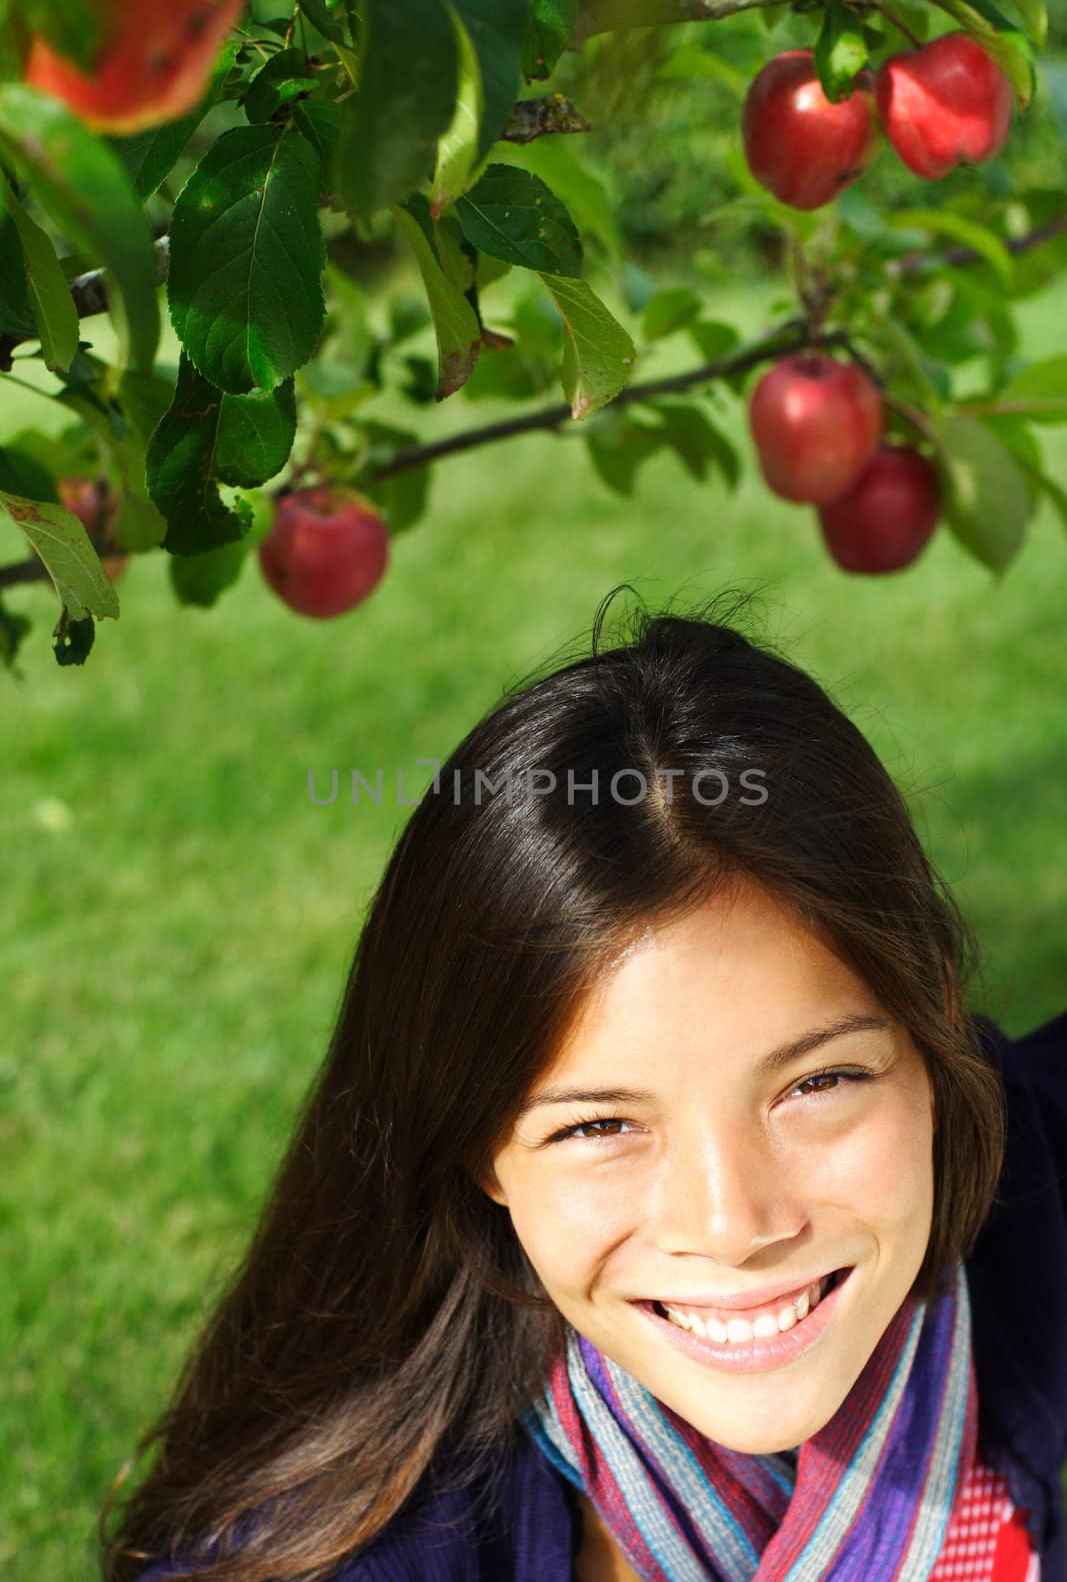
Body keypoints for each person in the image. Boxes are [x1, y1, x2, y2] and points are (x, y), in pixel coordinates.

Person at [103, 589, 1067, 1582]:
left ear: (934, 1028)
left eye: (816, 1080)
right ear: (476, 1141)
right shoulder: (339, 1556)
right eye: (600, 1124)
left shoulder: (1025, 1203)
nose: (732, 1223)